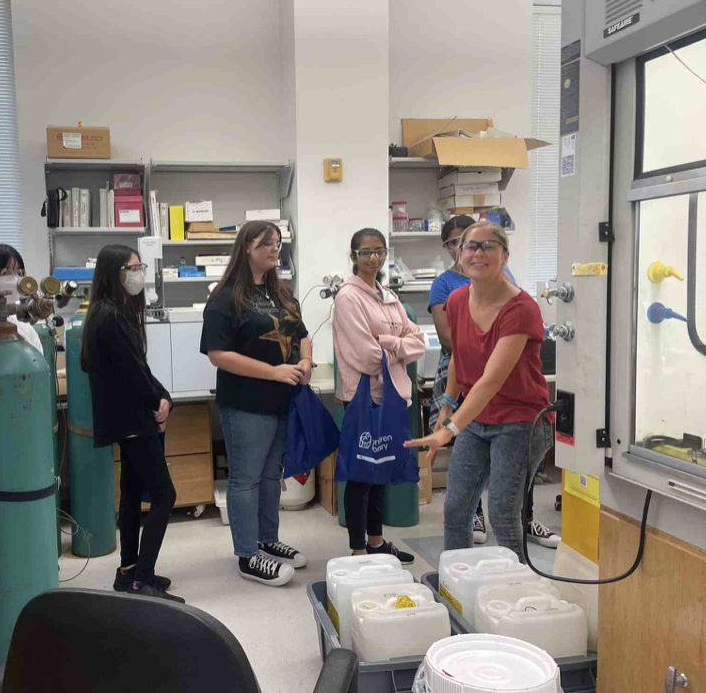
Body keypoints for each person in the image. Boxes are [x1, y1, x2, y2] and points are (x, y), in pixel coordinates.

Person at [406, 223, 555, 560]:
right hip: (477, 419)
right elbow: (460, 354)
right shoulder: (457, 300)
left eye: (488, 246)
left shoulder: (521, 309)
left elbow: (490, 381)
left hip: (519, 421)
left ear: (505, 255)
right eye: (470, 246)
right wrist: (446, 403)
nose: (477, 253)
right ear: (459, 255)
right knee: (456, 510)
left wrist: (450, 429)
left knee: (503, 513)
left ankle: (517, 590)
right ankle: (456, 583)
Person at [200, 221, 312, 587]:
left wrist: (306, 363)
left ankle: (267, 540)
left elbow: (303, 334)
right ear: (246, 247)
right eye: (266, 243)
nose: (274, 249)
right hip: (246, 403)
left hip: (282, 401)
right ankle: (248, 555)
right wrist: (273, 371)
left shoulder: (281, 293)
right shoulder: (225, 298)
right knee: (246, 480)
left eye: (278, 244)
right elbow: (218, 355)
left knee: (270, 477)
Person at [81, 244, 181, 602]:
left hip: (126, 418)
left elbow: (139, 368)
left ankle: (128, 571)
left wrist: (163, 395)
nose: (138, 274)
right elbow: (133, 374)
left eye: (140, 266)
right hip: (134, 419)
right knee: (164, 496)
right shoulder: (111, 317)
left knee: (131, 494)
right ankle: (143, 579)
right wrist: (158, 403)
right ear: (114, 274)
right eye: (131, 268)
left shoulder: (109, 312)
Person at [333, 228, 424, 562]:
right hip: (363, 397)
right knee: (361, 474)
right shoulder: (348, 298)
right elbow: (367, 357)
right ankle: (359, 550)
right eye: (366, 252)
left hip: (392, 395)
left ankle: (376, 542)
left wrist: (390, 343)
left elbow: (419, 341)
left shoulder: (388, 295)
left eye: (379, 251)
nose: (373, 258)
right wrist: (398, 347)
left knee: (381, 470)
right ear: (353, 256)